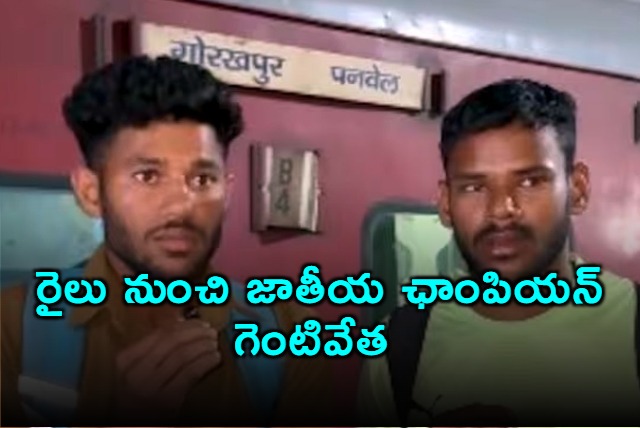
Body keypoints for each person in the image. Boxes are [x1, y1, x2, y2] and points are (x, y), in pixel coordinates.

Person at [1, 55, 331, 427]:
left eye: (203, 180)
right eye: (148, 176)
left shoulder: (291, 335)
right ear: (91, 193)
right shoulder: (12, 328)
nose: (181, 205)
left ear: (227, 193)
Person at [357, 78, 640, 426]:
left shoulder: (632, 320)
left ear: (577, 190)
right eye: (474, 187)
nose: (500, 210)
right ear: (446, 204)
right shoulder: (399, 346)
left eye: (529, 181)